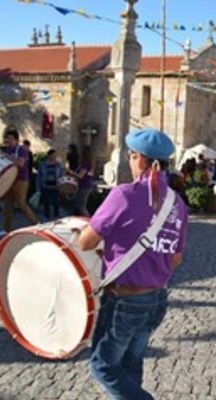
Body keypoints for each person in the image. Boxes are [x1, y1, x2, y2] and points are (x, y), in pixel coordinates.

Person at [77, 128, 188, 400]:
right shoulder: (178, 203)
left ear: (140, 159)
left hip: (125, 301)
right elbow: (176, 257)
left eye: (131, 155)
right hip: (157, 297)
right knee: (130, 364)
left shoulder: (124, 194)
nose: (129, 160)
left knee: (102, 365)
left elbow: (85, 243)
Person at [0, 129, 39, 237]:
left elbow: (20, 163)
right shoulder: (7, 149)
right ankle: (7, 229)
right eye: (7, 138)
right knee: (8, 205)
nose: (9, 140)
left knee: (21, 203)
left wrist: (8, 158)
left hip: (21, 179)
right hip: (10, 180)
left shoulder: (22, 150)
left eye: (11, 138)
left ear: (16, 140)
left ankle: (37, 224)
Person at [69, 145, 96, 217]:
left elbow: (80, 176)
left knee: (81, 206)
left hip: (84, 186)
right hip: (88, 185)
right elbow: (91, 174)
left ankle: (90, 221)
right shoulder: (91, 163)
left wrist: (72, 172)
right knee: (78, 204)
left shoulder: (85, 164)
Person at [37, 149, 62, 221]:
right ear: (49, 155)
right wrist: (38, 188)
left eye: (55, 155)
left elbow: (60, 175)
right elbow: (39, 176)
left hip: (55, 186)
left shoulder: (58, 164)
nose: (54, 157)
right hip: (45, 186)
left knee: (55, 202)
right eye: (53, 155)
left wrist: (61, 186)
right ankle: (46, 216)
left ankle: (56, 216)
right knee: (46, 202)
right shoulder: (42, 164)